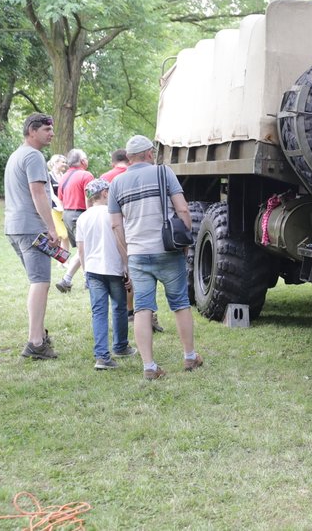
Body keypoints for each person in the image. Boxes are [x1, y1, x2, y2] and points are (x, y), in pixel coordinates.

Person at [109, 134, 203, 380]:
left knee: (142, 309)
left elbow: (116, 226)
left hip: (138, 254)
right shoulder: (164, 173)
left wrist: (127, 256)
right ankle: (190, 356)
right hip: (167, 250)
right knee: (180, 303)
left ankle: (149, 366)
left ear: (129, 158)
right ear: (150, 153)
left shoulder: (116, 184)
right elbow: (182, 209)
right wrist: (184, 243)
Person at [4, 113, 59, 360]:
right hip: (31, 228)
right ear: (31, 131)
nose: (51, 133)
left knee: (38, 282)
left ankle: (38, 336)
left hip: (15, 227)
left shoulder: (17, 155)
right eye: (47, 129)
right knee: (40, 282)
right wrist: (51, 227)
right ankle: (36, 343)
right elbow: (38, 194)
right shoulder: (34, 156)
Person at [76, 178, 137, 370]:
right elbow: (122, 242)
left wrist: (86, 272)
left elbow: (81, 249)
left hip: (93, 269)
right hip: (114, 268)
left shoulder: (83, 217)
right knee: (119, 307)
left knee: (99, 312)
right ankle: (120, 345)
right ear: (104, 193)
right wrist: (128, 269)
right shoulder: (114, 215)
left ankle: (101, 355)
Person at [56, 148, 95, 293]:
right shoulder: (86, 175)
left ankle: (66, 280)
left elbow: (61, 199)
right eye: (85, 157)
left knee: (82, 249)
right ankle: (88, 280)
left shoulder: (64, 177)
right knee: (85, 249)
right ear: (82, 161)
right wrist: (92, 215)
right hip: (80, 214)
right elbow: (90, 198)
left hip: (67, 215)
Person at [47, 154, 70, 256]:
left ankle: (63, 261)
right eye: (62, 162)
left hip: (65, 208)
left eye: (65, 162)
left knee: (67, 236)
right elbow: (51, 193)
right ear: (55, 163)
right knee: (62, 235)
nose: (65, 164)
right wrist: (59, 203)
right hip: (54, 208)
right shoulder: (49, 176)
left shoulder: (64, 176)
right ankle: (61, 258)